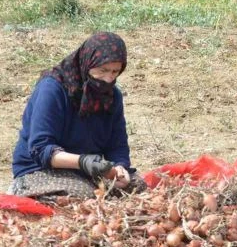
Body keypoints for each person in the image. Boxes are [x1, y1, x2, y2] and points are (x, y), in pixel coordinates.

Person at [9, 32, 145, 200]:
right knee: (83, 197)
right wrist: (83, 162)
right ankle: (22, 190)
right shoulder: (53, 89)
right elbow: (40, 148)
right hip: (41, 168)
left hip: (89, 171)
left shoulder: (112, 96)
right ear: (87, 63)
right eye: (102, 70)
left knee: (138, 186)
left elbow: (117, 145)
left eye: (115, 71)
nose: (108, 79)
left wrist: (120, 167)